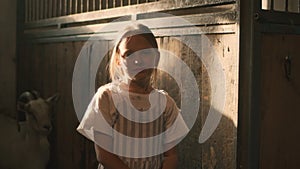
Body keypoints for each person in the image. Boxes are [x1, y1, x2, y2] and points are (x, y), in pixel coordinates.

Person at [77, 23, 188, 169]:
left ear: (156, 57)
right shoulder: (107, 97)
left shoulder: (164, 103)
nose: (138, 60)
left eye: (145, 53)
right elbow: (104, 155)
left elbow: (171, 155)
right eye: (129, 54)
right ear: (118, 60)